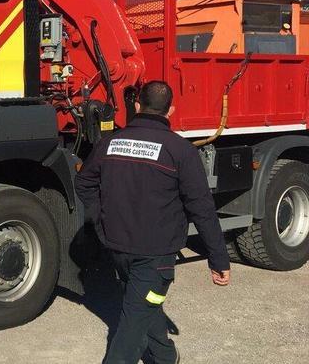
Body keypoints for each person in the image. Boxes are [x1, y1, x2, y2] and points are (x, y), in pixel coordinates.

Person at [75, 81, 231, 364]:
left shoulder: (110, 142)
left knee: (143, 304)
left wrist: (100, 218)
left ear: (137, 106)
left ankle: (164, 356)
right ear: (171, 110)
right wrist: (218, 259)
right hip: (155, 254)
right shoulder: (180, 150)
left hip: (117, 248)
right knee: (131, 330)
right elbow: (202, 209)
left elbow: (83, 183)